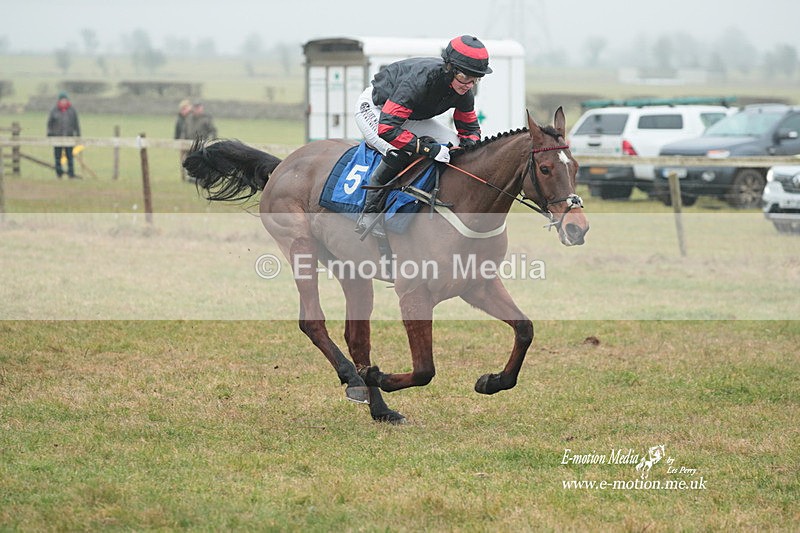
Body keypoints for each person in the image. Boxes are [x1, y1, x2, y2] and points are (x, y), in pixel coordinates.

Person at [354, 35, 492, 237]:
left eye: (475, 79)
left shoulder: (464, 90)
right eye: (464, 77)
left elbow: (469, 130)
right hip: (376, 109)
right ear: (449, 68)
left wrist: (469, 146)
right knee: (398, 151)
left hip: (409, 115)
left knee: (455, 145)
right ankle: (369, 212)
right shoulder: (419, 80)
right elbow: (387, 128)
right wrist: (430, 149)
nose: (469, 85)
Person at [46, 92, 81, 179]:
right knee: (58, 157)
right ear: (59, 101)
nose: (64, 102)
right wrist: (50, 133)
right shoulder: (54, 110)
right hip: (57, 137)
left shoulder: (72, 110)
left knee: (70, 157)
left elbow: (76, 123)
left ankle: (71, 174)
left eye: (65, 100)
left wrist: (78, 134)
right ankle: (59, 174)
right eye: (62, 100)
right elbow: (50, 124)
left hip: (69, 137)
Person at [174, 99, 193, 181]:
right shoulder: (179, 119)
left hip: (192, 142)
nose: (183, 111)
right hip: (182, 142)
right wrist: (176, 142)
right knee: (183, 160)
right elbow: (177, 131)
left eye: (185, 108)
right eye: (182, 109)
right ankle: (184, 177)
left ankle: (192, 176)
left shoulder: (193, 117)